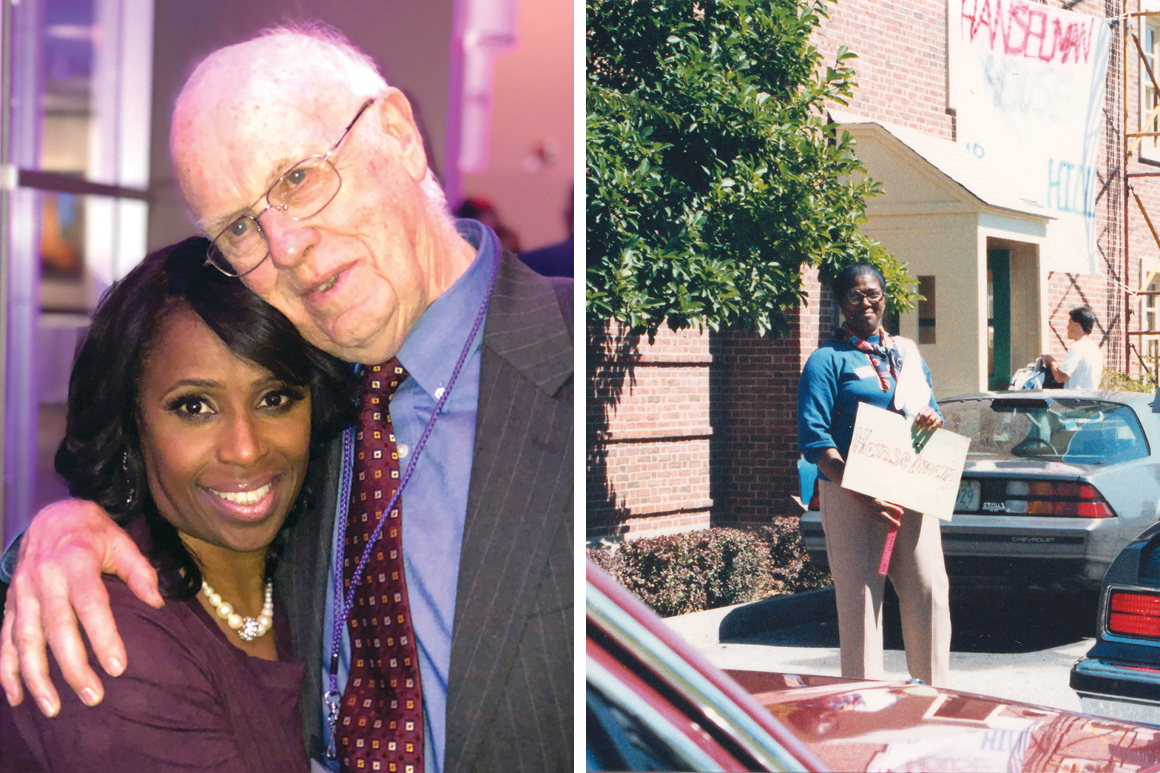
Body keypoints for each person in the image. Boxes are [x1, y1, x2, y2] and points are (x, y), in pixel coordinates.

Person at [0, 23, 573, 773]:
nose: (286, 245)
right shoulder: (303, 390)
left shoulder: (585, 354)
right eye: (241, 226)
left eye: (298, 177)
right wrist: (59, 530)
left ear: (400, 135)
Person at [0, 236, 357, 771]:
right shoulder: (114, 641)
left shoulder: (310, 563)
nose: (246, 448)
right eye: (194, 407)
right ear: (131, 424)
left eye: (274, 398)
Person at [797, 263, 952, 687]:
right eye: (854, 295)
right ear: (840, 302)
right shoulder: (827, 360)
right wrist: (858, 488)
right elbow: (815, 439)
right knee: (861, 604)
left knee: (929, 594)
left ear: (884, 297)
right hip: (851, 493)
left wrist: (931, 418)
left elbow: (931, 409)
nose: (865, 303)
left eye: (873, 294)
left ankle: (934, 699)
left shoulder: (905, 354)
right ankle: (864, 706)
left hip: (910, 487)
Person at [1041, 306, 1103, 390]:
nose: (1067, 327)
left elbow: (1060, 377)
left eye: (1069, 322)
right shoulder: (1095, 349)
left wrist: (1051, 361)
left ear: (1077, 326)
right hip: (1090, 396)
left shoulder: (1077, 348)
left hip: (1075, 397)